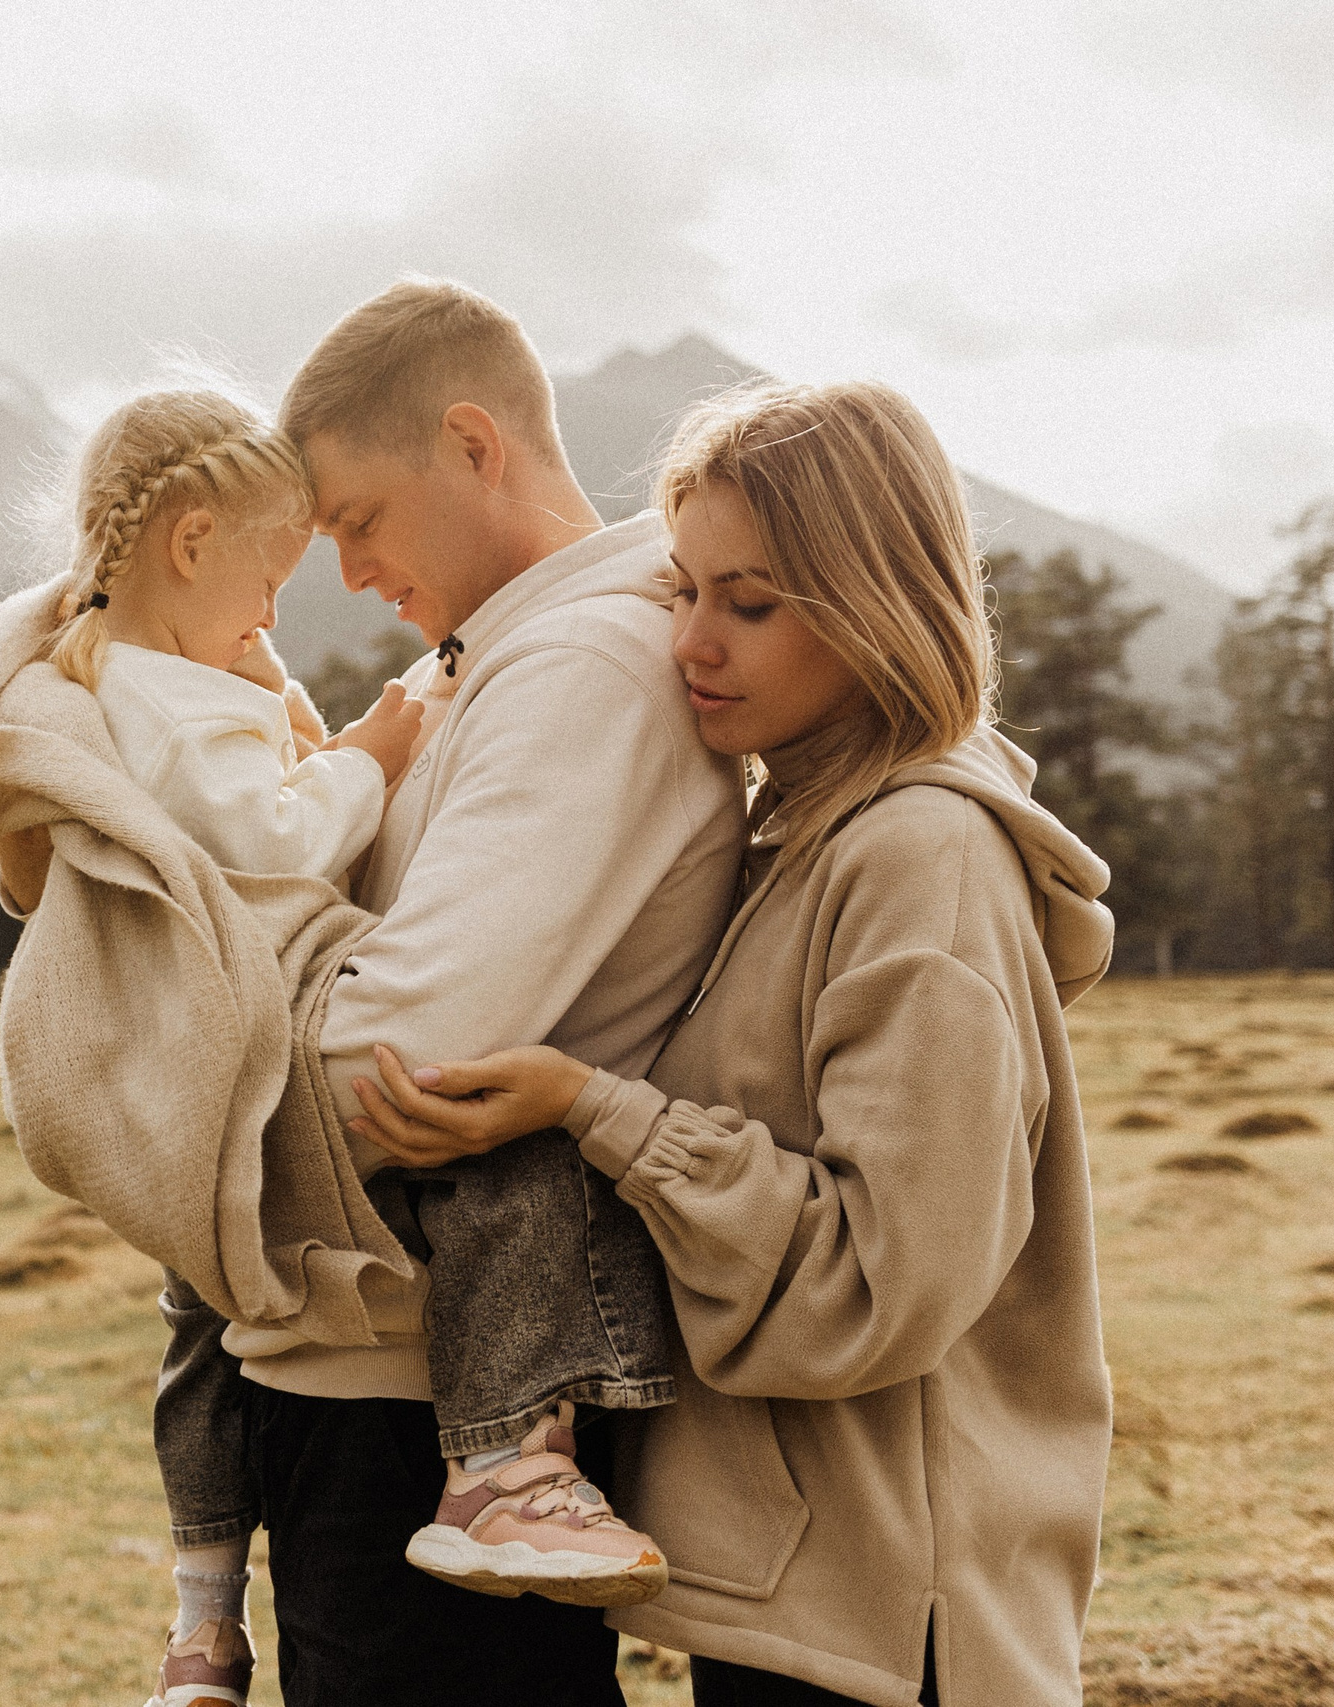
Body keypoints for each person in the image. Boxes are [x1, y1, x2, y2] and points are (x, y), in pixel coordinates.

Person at [345, 379, 1114, 1707]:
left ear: (881, 600)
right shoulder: (796, 837)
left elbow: (878, 1282)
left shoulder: (918, 860)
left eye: (748, 603)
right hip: (808, 1599)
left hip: (898, 1628)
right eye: (682, 592)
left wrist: (594, 1110)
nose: (692, 641)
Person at [0, 384, 695, 1707]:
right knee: (515, 1156)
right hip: (282, 1031)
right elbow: (277, 844)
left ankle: (201, 1617)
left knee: (199, 1334)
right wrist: (370, 752)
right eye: (279, 569)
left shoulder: (104, 674)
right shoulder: (185, 696)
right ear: (192, 541)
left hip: (235, 1124)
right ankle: (507, 1462)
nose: (291, 606)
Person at [172, 279, 749, 1705]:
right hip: (382, 1359)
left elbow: (393, 1046)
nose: (347, 573)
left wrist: (181, 1067)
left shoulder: (587, 670)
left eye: (357, 520)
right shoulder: (487, 666)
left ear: (474, 445)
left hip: (435, 1391)